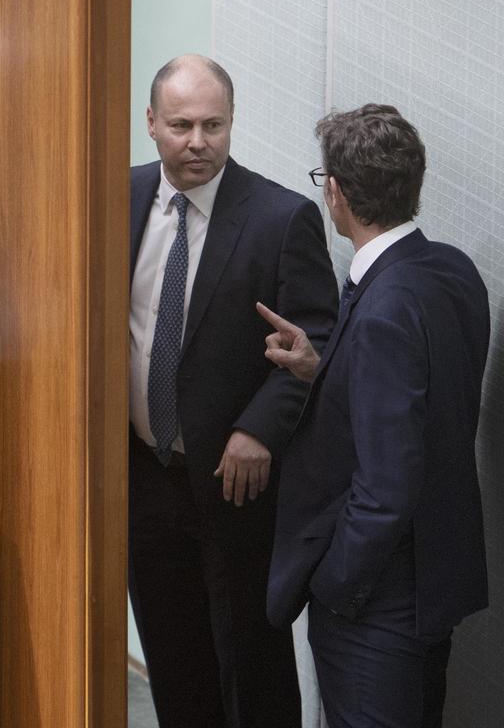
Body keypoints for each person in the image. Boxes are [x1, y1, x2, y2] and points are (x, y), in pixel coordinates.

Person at [261, 104, 489, 728]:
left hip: (376, 605)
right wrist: (323, 369)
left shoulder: (384, 307)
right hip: (434, 587)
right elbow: (427, 396)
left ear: (334, 192)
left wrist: (336, 587)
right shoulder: (452, 271)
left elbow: (387, 483)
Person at [128, 54, 339, 727]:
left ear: (231, 123)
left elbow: (315, 344)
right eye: (183, 125)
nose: (198, 142)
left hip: (234, 487)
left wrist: (259, 429)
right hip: (142, 476)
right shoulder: (112, 197)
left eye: (214, 125)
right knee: (173, 662)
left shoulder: (282, 218)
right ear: (152, 123)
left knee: (252, 672)